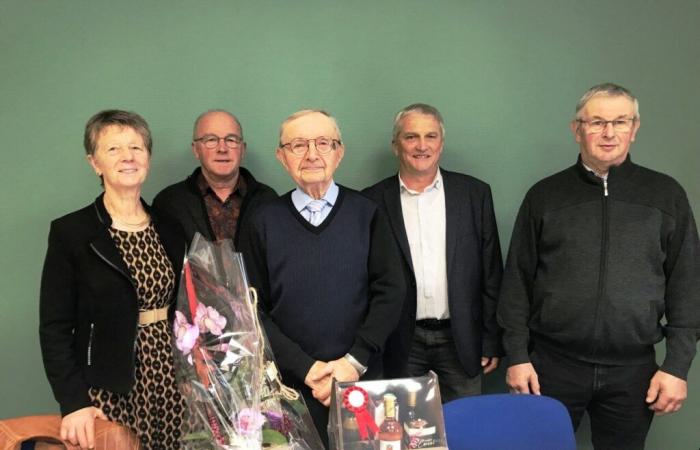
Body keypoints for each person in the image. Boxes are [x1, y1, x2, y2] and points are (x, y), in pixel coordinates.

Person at [497, 83, 700, 449]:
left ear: (634, 128)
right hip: (550, 367)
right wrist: (516, 356)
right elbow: (517, 283)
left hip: (632, 371)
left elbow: (688, 285)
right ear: (577, 129)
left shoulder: (666, 195)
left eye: (620, 122)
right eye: (597, 123)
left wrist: (677, 366)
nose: (609, 133)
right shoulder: (544, 196)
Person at [239, 109, 405, 446]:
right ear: (281, 156)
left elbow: (391, 291)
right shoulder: (261, 222)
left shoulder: (368, 213)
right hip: (290, 389)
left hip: (362, 381)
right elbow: (251, 306)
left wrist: (354, 361)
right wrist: (306, 367)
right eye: (298, 145)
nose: (312, 154)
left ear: (339, 152)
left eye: (323, 143)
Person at [40, 110, 188, 450]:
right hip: (108, 387)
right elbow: (54, 328)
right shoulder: (71, 233)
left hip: (172, 381)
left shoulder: (169, 227)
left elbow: (186, 309)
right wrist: (73, 402)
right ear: (95, 163)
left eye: (136, 147)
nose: (128, 157)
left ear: (148, 157)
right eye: (114, 149)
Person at [363, 103, 503, 402]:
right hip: (400, 342)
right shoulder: (371, 201)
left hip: (461, 340)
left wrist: (491, 338)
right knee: (399, 433)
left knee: (465, 432)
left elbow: (491, 272)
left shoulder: (474, 195)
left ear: (441, 143)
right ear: (395, 145)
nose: (422, 146)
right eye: (411, 137)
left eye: (431, 136)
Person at [152, 109, 276, 247]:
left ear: (242, 149)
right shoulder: (170, 203)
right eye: (211, 140)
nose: (222, 149)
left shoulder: (268, 201)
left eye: (231, 140)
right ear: (195, 150)